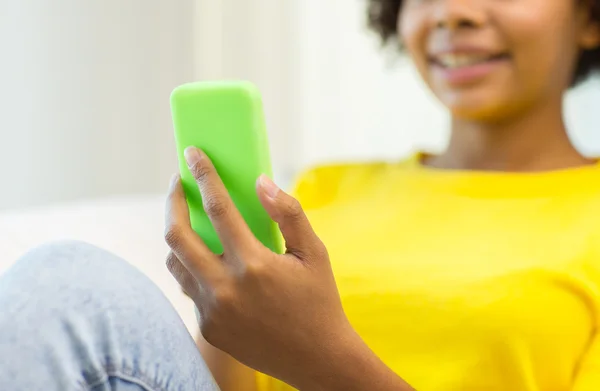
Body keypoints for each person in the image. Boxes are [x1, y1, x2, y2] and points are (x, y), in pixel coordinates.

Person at [1, 0, 600, 390]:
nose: (454, 13)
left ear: (590, 17)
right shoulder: (325, 187)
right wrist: (221, 304)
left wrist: (320, 354)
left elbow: (304, 353)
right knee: (67, 280)